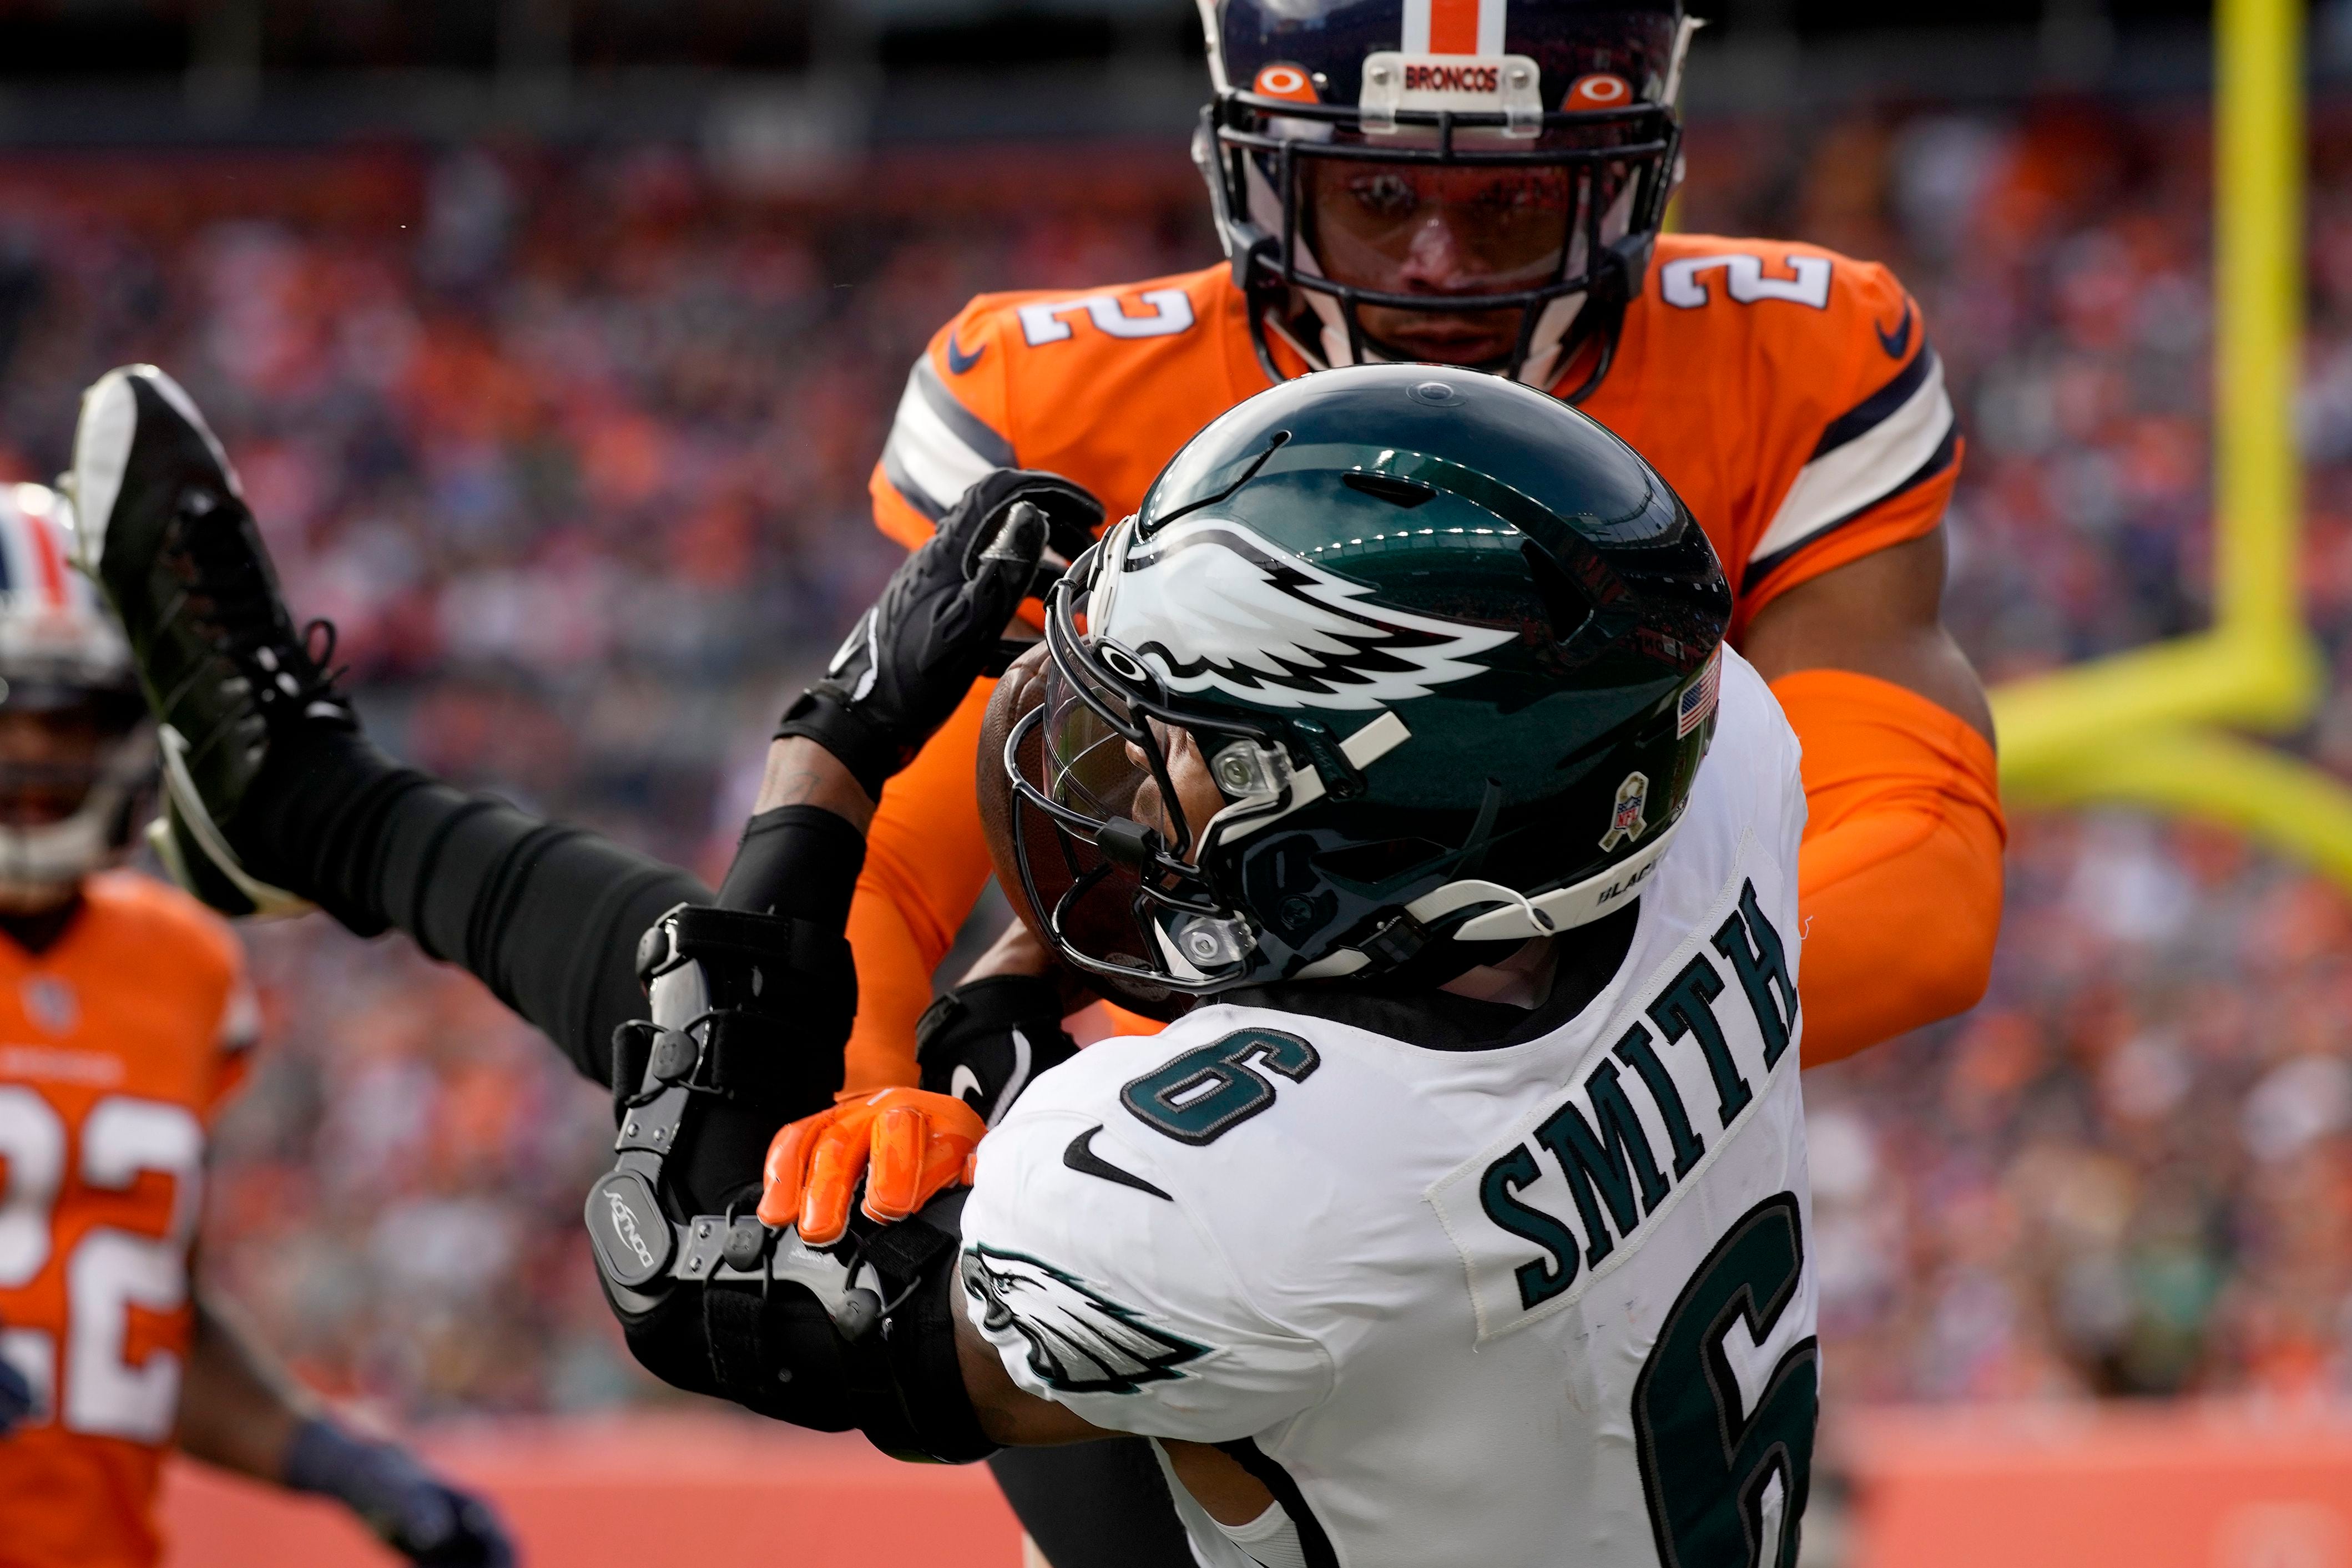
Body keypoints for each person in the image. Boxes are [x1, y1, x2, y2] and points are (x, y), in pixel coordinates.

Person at [75, 357, 1817, 1567]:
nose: (1134, 778)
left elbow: (685, 1268)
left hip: (1320, 1403)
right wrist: (1001, 1003)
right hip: (1503, 1432)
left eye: (1197, 746)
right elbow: (1345, 947)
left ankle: (315, 806)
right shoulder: (1697, 766)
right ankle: (305, 809)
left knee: (761, 1064)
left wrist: (829, 747)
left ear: (1409, 820)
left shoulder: (1249, 1209)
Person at [847, 0, 2002, 1096]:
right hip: (1200, 1118)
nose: (1435, 261)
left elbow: (1919, 861)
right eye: (1377, 192)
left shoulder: (1788, 358)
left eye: (1509, 200)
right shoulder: (1051, 396)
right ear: (1253, 169)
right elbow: (898, 858)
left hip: (1601, 1138)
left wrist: (1522, 1076)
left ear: (1623, 183)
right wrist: (864, 1107)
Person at [0, 483, 514, 1568]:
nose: (40, 755)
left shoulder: (179, 968)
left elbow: (141, 1317)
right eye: (9, 716)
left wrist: (349, 1466)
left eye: (73, 716)